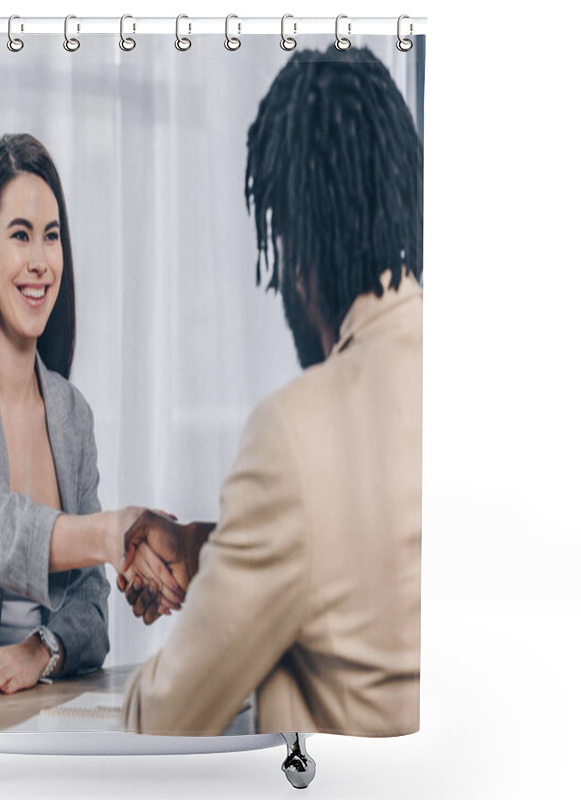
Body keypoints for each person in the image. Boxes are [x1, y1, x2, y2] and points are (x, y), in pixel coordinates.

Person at [119, 47, 423, 737]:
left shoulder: (297, 433)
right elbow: (366, 556)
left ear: (294, 240)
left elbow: (163, 722)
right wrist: (204, 549)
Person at [0, 133, 181, 695]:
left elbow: (92, 610)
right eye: (20, 235)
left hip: (47, 713)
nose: (39, 261)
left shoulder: (72, 414)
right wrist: (113, 535)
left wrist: (42, 650)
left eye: (51, 238)